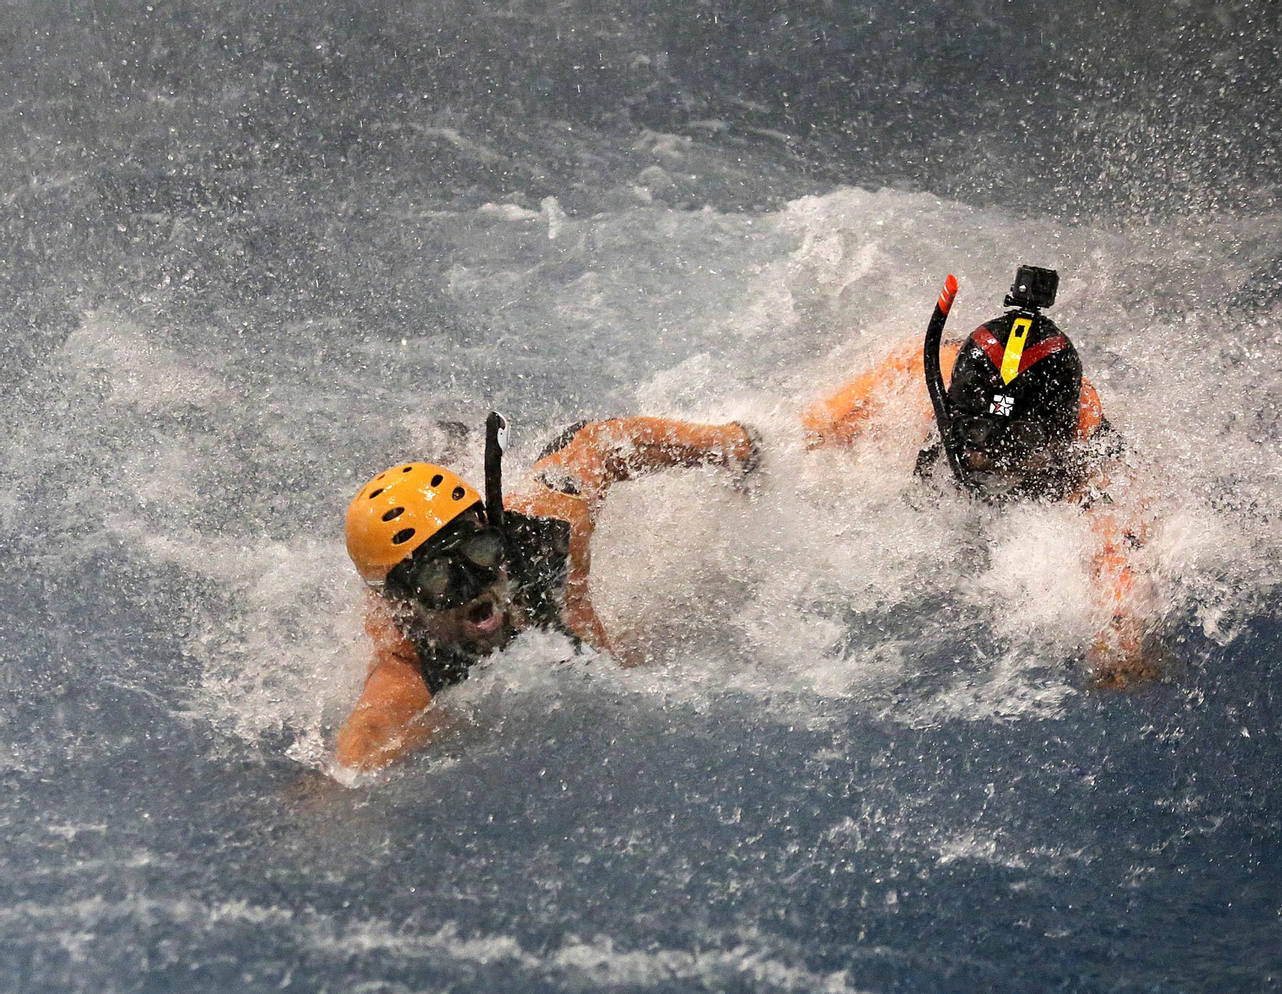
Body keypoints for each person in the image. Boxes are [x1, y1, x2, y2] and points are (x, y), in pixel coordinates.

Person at [336, 415, 759, 771]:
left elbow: (600, 444)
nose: (474, 588)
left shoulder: (541, 531)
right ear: (404, 604)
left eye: (481, 553)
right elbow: (363, 745)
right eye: (441, 582)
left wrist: (734, 445)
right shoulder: (409, 661)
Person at [801, 266, 1155, 684]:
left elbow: (1118, 554)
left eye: (1014, 446)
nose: (984, 461)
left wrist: (1120, 645)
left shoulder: (1087, 447)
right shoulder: (928, 372)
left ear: (1057, 440)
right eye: (975, 433)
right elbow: (807, 433)